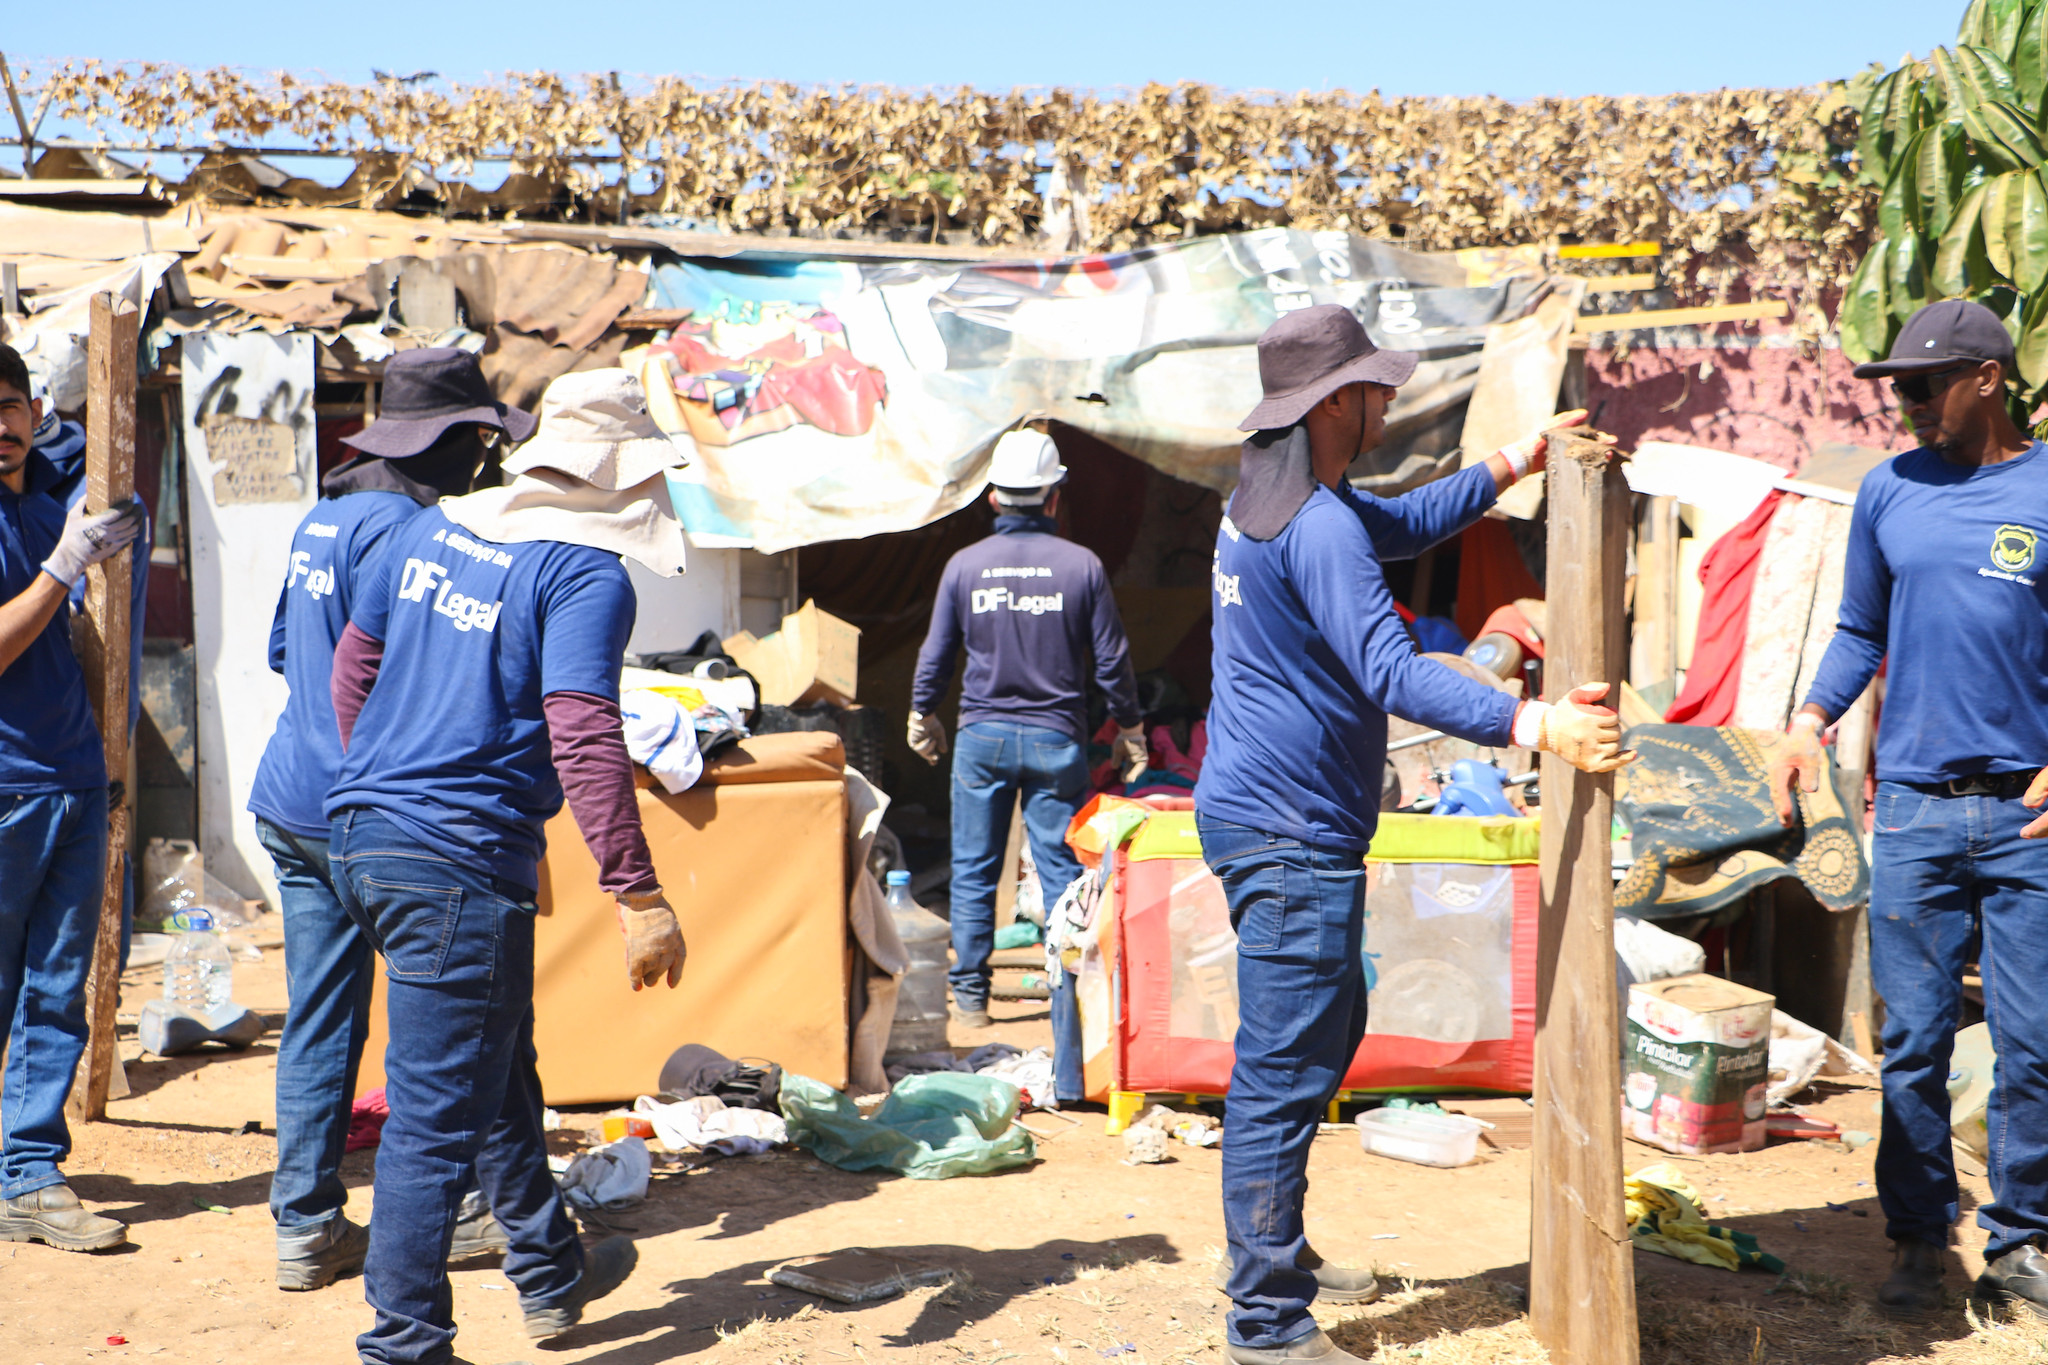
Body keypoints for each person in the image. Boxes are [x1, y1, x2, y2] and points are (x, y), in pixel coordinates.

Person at [1194, 305, 1630, 1365]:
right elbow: (1390, 672)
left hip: (1263, 812)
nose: (1388, 401)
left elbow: (1400, 525)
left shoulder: (1271, 499)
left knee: (1322, 1033)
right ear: (1337, 401)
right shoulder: (1317, 523)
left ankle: (1271, 1253)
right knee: (1283, 1067)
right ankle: (1264, 1323)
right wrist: (1537, 725)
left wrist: (1513, 460)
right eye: (1377, 387)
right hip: (1289, 829)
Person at [324, 368, 688, 1363]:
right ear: (623, 479)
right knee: (435, 1120)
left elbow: (353, 663)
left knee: (494, 1059)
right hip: (449, 858)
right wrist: (637, 890)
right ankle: (404, 1343)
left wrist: (381, 784)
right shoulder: (582, 573)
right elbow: (580, 726)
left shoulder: (429, 531)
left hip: (368, 835)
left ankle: (547, 1272)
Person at [1774, 299, 2048, 1321]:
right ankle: (1914, 1237)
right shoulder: (1888, 491)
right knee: (1913, 1046)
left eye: (1921, 384)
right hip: (1918, 815)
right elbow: (1856, 627)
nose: (1904, 402)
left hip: (2027, 821)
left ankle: (2019, 1246)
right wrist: (1807, 720)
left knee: (2033, 1045)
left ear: (1985, 376)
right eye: (1895, 385)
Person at [248, 348, 537, 1292]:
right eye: (480, 443)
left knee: (321, 1016)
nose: (486, 464)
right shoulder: (414, 534)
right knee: (461, 1017)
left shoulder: (320, 520)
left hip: (291, 799)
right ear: (448, 445)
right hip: (381, 814)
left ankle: (305, 1226)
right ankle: (466, 1213)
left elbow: (289, 651)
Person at [908, 428, 1144, 1098]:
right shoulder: (1081, 566)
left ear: (991, 497)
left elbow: (937, 653)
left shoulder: (964, 566)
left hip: (981, 737)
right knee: (1064, 874)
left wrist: (921, 710)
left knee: (974, 864)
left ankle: (970, 997)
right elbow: (1112, 660)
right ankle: (1064, 989)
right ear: (1054, 495)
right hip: (1055, 740)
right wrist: (1130, 725)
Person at [0, 342, 146, 1252]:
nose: (0, 429)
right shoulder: (43, 528)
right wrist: (63, 564)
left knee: (56, 988)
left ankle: (27, 1172)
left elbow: (100, 447)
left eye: (10, 407)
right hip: (5, 786)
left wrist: (106, 743)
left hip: (73, 778)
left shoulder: (43, 496)